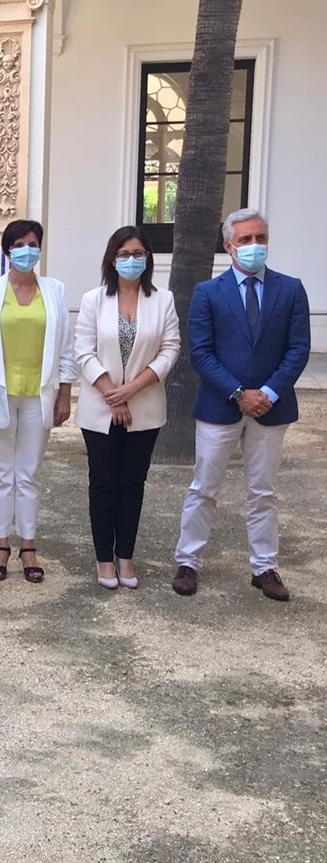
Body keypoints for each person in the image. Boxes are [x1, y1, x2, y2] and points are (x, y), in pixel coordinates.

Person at [173, 208, 310, 601]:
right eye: (246, 239)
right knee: (203, 487)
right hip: (220, 407)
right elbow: (201, 353)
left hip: (271, 408)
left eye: (260, 238)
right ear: (228, 245)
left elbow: (298, 348)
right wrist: (238, 393)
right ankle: (188, 562)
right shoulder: (207, 292)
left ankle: (264, 567)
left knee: (263, 491)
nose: (254, 245)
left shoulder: (291, 289)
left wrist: (269, 393)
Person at [0, 219, 75, 583]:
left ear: (40, 248)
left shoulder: (55, 290)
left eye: (32, 244)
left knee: (29, 473)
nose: (26, 250)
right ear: (7, 251)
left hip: (39, 394)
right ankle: (1, 544)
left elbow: (66, 346)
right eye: (19, 244)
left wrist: (65, 393)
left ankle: (28, 545)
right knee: (1, 473)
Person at [75, 227, 180, 590]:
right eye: (123, 254)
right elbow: (83, 351)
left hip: (144, 406)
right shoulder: (93, 300)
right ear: (112, 259)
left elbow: (170, 349)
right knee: (103, 484)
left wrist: (132, 389)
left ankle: (126, 557)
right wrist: (112, 394)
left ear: (148, 258)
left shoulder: (163, 300)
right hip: (100, 408)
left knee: (133, 484)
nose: (131, 260)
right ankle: (105, 559)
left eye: (138, 253)